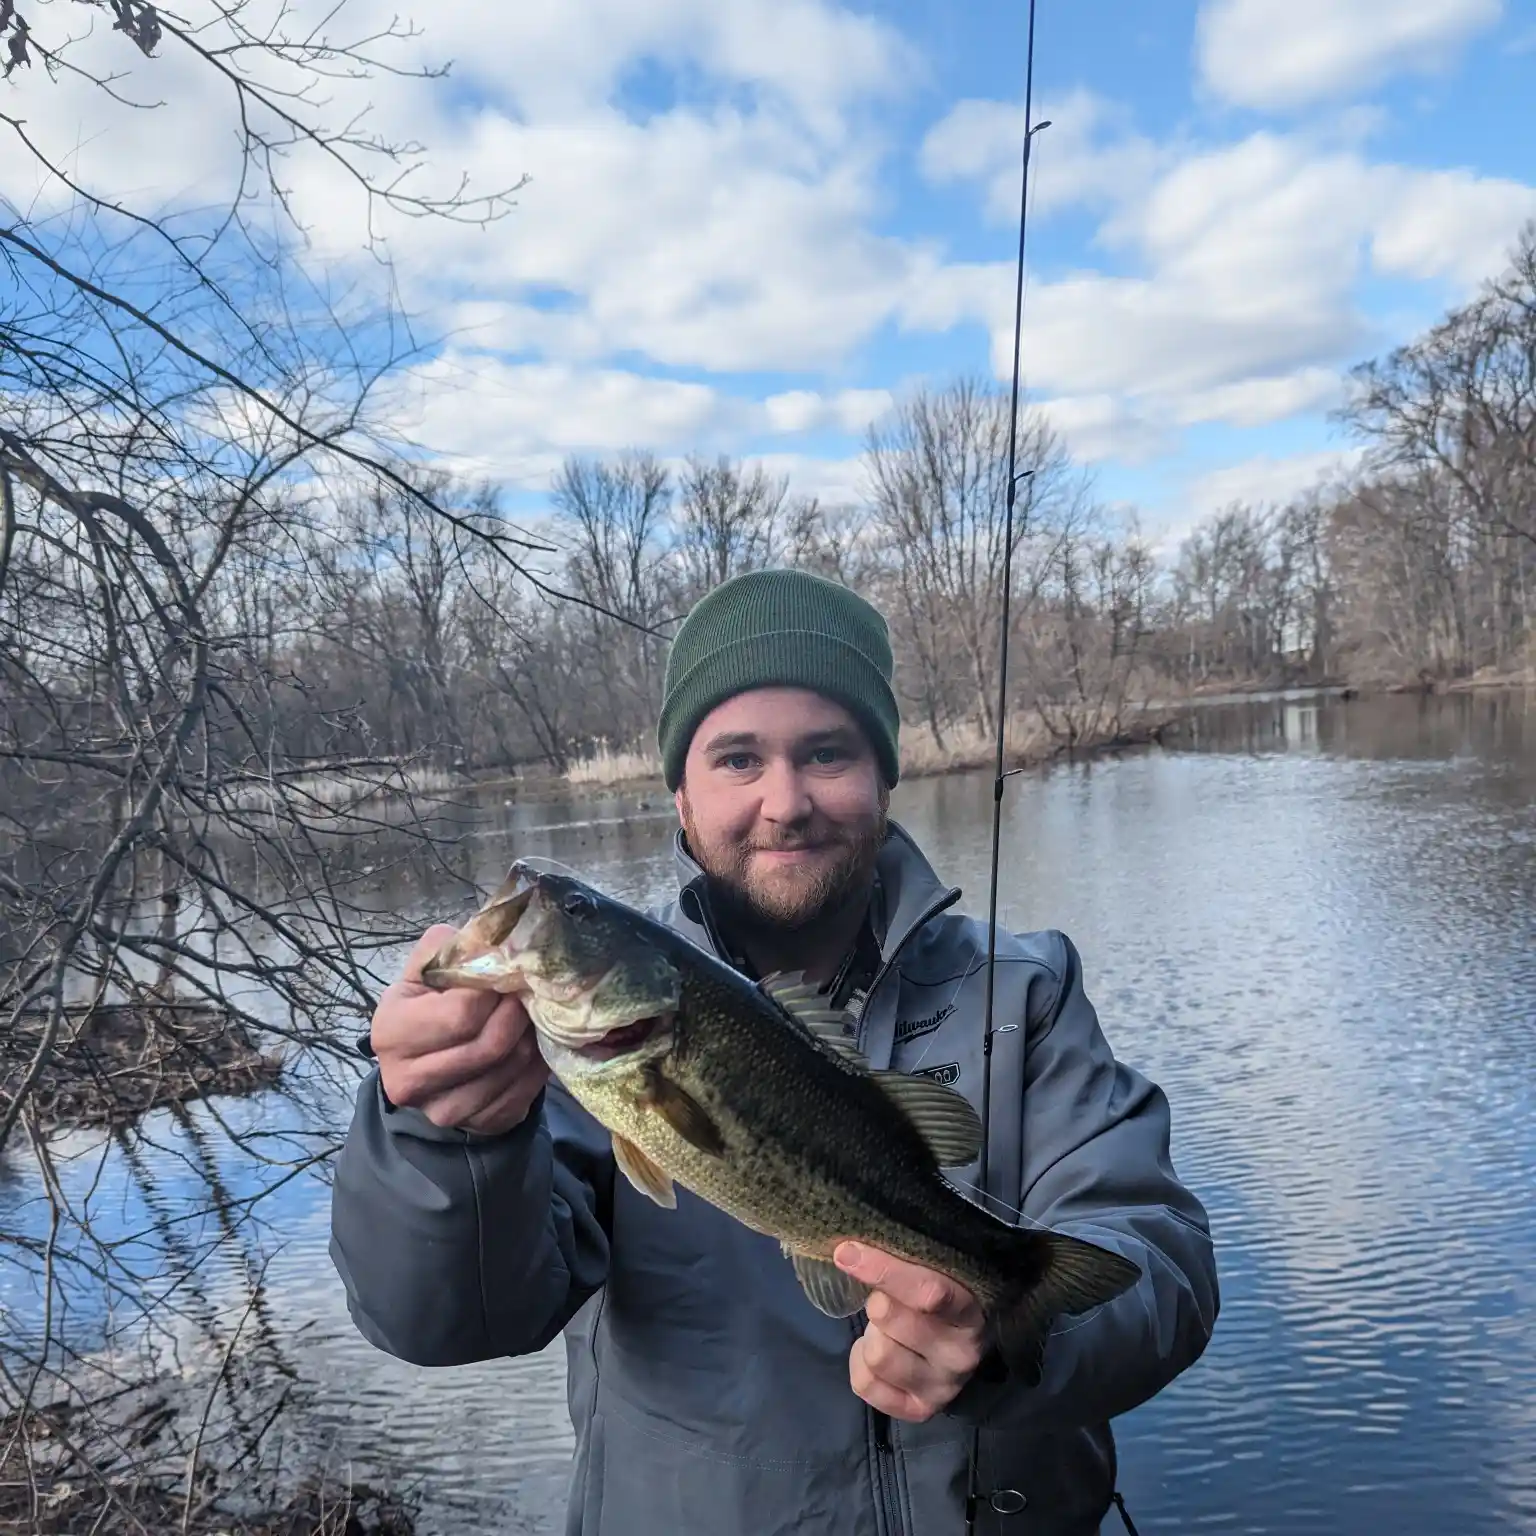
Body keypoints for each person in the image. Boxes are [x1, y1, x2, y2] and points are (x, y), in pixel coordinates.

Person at [330, 568, 1219, 1536]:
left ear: (886, 776)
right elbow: (442, 1318)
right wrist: (445, 1136)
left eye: (827, 753)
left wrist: (1012, 1347)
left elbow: (1158, 1260)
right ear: (680, 796)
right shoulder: (559, 1062)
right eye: (738, 760)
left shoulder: (1027, 993)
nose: (785, 801)